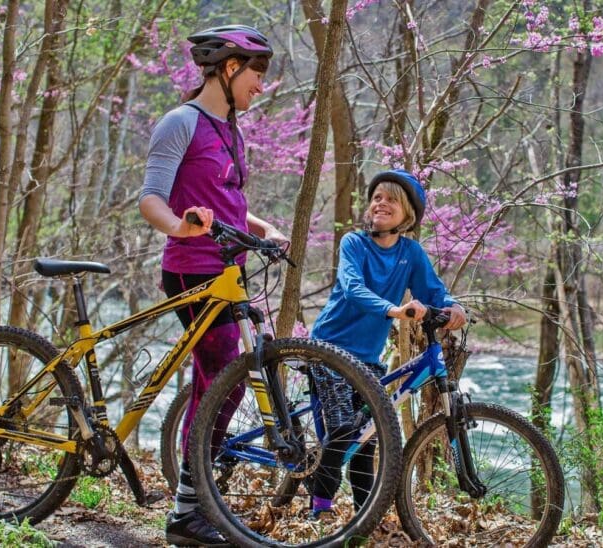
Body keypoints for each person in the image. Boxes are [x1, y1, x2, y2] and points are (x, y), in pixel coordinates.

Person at [138, 25, 287, 546]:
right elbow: (151, 199)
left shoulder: (231, 129)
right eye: (256, 74)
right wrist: (179, 226)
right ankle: (188, 509)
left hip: (229, 270)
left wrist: (263, 229)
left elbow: (226, 205)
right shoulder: (180, 122)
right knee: (224, 376)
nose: (261, 86)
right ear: (228, 68)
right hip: (191, 267)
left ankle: (196, 498)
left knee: (221, 380)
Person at [306, 169, 467, 519]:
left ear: (407, 214)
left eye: (391, 199)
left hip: (367, 357)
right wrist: (393, 310)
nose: (381, 203)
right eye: (377, 197)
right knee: (343, 428)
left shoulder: (410, 253)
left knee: (368, 436)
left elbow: (433, 290)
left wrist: (453, 307)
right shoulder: (354, 243)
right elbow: (353, 288)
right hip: (329, 349)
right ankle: (319, 507)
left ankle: (364, 516)